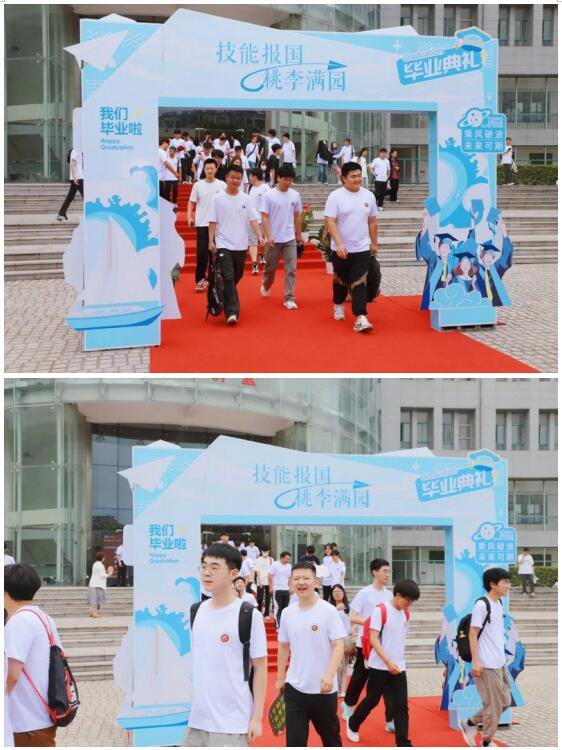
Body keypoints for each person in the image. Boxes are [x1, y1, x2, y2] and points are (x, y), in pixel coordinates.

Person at [181, 543, 267, 747]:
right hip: (197, 721)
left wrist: (257, 717)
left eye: (214, 567)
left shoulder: (248, 615)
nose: (206, 573)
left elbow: (260, 667)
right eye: (204, 566)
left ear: (233, 573)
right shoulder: (196, 611)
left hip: (232, 723)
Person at [277, 562, 346, 747]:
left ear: (316, 582)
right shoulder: (287, 613)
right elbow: (283, 646)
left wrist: (330, 675)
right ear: (290, 582)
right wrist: (280, 677)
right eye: (296, 579)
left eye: (306, 578)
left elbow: (338, 645)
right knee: (295, 742)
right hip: (295, 687)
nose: (301, 582)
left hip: (323, 689)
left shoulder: (328, 611)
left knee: (331, 740)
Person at [346, 579, 420, 746]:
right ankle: (353, 723)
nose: (409, 604)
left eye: (412, 602)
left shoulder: (405, 613)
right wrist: (388, 662)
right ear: (398, 595)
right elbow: (373, 639)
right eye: (408, 600)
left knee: (401, 706)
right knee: (372, 700)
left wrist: (396, 663)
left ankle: (403, 743)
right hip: (379, 666)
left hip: (399, 666)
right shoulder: (381, 610)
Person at [4, 564, 63, 747]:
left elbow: (12, 675)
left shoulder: (19, 622)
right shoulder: (44, 618)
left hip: (25, 722)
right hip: (42, 716)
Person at [458, 568, 513, 748]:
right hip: (486, 663)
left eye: (509, 582)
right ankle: (487, 742)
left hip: (499, 662)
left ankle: (469, 723)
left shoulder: (498, 603)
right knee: (493, 705)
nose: (508, 586)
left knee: (504, 702)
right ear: (493, 584)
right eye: (505, 582)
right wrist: (476, 662)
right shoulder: (482, 605)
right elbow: (473, 633)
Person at [324, 161, 378, 333]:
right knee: (341, 280)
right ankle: (338, 303)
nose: (357, 179)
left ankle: (360, 317)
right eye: (353, 176)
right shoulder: (335, 196)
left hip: (362, 247)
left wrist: (374, 243)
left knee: (359, 281)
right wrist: (339, 243)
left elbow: (372, 221)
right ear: (344, 178)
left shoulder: (369, 196)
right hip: (341, 249)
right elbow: (330, 221)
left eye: (359, 176)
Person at [342, 558, 394, 730]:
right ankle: (348, 704)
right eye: (384, 571)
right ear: (374, 572)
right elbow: (353, 617)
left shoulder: (390, 595)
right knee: (360, 677)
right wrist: (372, 623)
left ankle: (391, 719)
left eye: (388, 571)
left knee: (387, 681)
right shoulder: (365, 593)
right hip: (365, 643)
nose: (388, 574)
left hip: (384, 644)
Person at [207, 165, 262, 325]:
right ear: (226, 178)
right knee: (228, 276)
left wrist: (259, 235)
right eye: (232, 177)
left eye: (238, 178)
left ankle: (225, 296)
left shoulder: (246, 198)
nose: (235, 180)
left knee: (237, 275)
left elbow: (253, 219)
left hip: (241, 244)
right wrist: (211, 240)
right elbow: (212, 221)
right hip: (223, 243)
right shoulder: (217, 198)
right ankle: (232, 312)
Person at [260, 165, 303, 310]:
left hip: (289, 237)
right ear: (278, 178)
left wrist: (299, 233)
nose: (288, 182)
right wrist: (269, 235)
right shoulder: (269, 195)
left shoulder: (295, 195)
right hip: (273, 238)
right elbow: (264, 217)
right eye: (285, 179)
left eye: (290, 180)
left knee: (291, 268)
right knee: (270, 268)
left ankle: (289, 298)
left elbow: (297, 215)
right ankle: (266, 284)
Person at [188, 158, 226, 292]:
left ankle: (212, 279)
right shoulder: (198, 185)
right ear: (204, 169)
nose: (210, 171)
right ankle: (200, 279)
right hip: (202, 224)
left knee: (214, 254)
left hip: (218, 225)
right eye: (207, 168)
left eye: (212, 168)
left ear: (216, 169)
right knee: (202, 254)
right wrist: (189, 216)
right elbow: (191, 202)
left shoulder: (222, 185)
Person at [329, 584, 353, 698]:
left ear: (343, 593)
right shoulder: (329, 608)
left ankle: (341, 690)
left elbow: (353, 621)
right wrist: (336, 609)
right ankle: (334, 687)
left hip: (346, 639)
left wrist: (352, 629)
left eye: (340, 591)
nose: (338, 593)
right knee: (337, 665)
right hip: (334, 640)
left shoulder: (348, 608)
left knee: (344, 666)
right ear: (332, 594)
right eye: (335, 591)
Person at [247, 169, 271, 272]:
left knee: (262, 239)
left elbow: (270, 203)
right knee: (252, 241)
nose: (249, 178)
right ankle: (254, 263)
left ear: (255, 176)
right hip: (251, 219)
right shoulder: (249, 187)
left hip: (262, 219)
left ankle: (261, 254)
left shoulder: (265, 188)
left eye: (250, 176)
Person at [56, 146, 84, 221]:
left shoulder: (79, 150)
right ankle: (90, 214)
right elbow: (72, 163)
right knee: (86, 196)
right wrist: (75, 177)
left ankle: (61, 214)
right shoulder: (76, 150)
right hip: (78, 178)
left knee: (70, 197)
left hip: (77, 178)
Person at [269, 551, 292, 628]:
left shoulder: (289, 566)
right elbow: (270, 576)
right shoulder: (275, 565)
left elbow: (290, 578)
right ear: (281, 558)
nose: (288, 560)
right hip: (277, 589)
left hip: (286, 589)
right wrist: (271, 587)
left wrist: (290, 588)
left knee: (285, 608)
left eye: (289, 559)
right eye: (286, 559)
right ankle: (278, 625)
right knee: (278, 607)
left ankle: (284, 624)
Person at [88, 550, 113, 618]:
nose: (104, 558)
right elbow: (102, 575)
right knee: (97, 599)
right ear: (102, 558)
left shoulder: (95, 564)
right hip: (97, 585)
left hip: (93, 584)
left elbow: (99, 574)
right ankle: (95, 613)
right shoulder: (101, 565)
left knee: (93, 599)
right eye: (104, 557)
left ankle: (91, 612)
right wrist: (109, 574)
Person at [254, 546, 273, 617]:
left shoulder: (271, 559)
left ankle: (266, 613)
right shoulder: (258, 559)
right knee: (259, 597)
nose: (265, 553)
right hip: (260, 581)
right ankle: (259, 612)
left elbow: (272, 570)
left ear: (268, 552)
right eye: (264, 551)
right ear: (261, 552)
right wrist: (259, 581)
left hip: (268, 581)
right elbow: (257, 571)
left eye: (266, 552)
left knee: (268, 598)